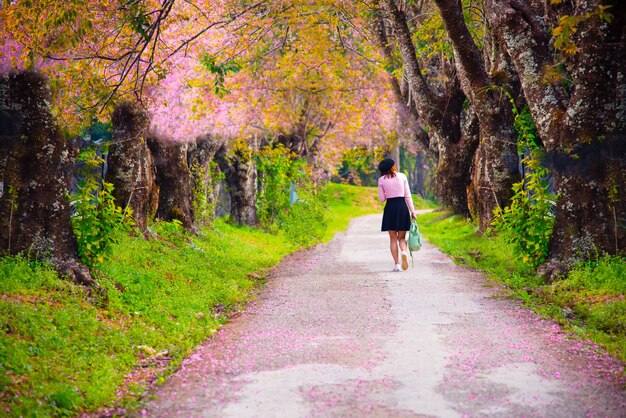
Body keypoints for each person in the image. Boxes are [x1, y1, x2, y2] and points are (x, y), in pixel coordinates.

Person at [377, 158, 416, 271]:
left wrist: (386, 191)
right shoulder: (402, 176)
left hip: (390, 208)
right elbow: (408, 196)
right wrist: (413, 212)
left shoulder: (381, 180)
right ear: (393, 166)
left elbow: (381, 199)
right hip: (402, 207)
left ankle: (396, 264)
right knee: (402, 238)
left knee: (393, 238)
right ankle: (403, 251)